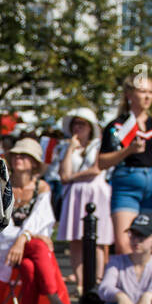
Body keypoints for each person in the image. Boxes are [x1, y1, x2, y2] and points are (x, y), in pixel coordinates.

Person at [0, 137, 76, 304]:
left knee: (29, 266)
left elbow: (41, 220)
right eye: (16, 154)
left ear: (34, 162)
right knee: (39, 245)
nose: (18, 158)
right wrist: (26, 236)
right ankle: (54, 303)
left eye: (25, 156)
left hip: (24, 249)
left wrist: (24, 238)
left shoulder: (41, 187)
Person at [99, 72, 152, 255]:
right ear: (129, 95)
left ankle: (147, 282)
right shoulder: (117, 126)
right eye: (142, 91)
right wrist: (128, 150)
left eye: (150, 92)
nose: (147, 96)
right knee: (124, 244)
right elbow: (102, 162)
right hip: (127, 183)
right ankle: (126, 282)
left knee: (150, 243)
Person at [55, 107, 113, 291]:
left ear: (90, 127)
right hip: (74, 194)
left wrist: (72, 177)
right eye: (75, 124)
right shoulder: (66, 147)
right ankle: (81, 283)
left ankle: (96, 280)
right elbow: (63, 174)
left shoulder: (99, 145)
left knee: (97, 240)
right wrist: (71, 148)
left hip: (96, 192)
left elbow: (96, 169)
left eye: (82, 124)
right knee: (76, 240)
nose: (77, 128)